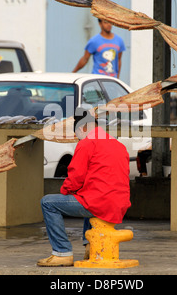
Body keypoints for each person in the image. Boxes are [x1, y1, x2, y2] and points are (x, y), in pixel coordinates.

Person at [37, 108, 131, 267]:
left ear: (82, 128)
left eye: (76, 134)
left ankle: (62, 252)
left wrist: (65, 190)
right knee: (88, 196)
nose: (77, 138)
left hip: (100, 203)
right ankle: (90, 247)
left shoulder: (87, 142)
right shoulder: (117, 144)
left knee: (48, 202)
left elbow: (75, 177)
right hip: (119, 204)